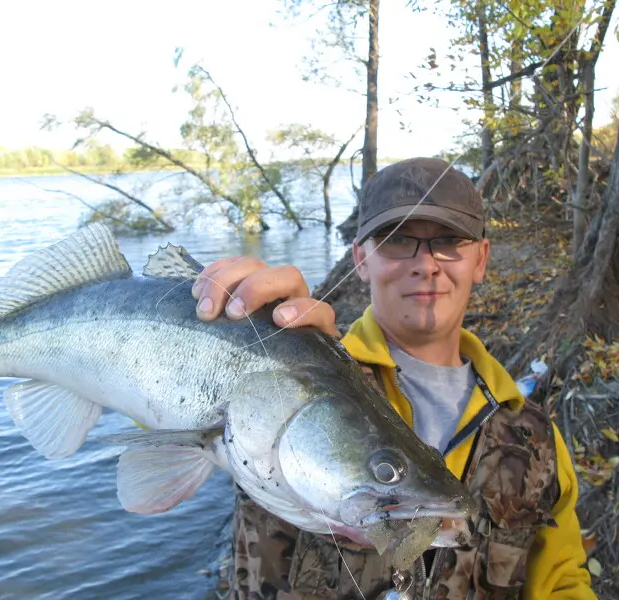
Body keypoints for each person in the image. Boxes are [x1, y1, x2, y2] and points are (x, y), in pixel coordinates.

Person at [192, 157, 596, 599]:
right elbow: (161, 411)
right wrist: (218, 331)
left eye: (449, 240)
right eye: (397, 239)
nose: (426, 264)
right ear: (361, 259)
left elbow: (561, 582)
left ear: (480, 259)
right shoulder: (283, 380)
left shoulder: (534, 435)